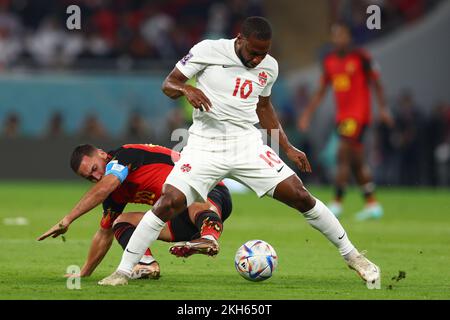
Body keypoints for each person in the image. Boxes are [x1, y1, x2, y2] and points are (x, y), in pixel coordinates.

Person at [99, 16, 381, 289]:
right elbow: (168, 84)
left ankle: (354, 256)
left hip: (247, 144)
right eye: (254, 52)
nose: (258, 59)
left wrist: (287, 146)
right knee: (168, 202)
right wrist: (186, 89)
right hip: (204, 145)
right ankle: (123, 271)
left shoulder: (269, 66)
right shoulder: (208, 50)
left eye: (264, 53)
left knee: (300, 195)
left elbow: (264, 108)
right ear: (241, 39)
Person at [37, 143, 232, 279]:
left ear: (102, 153)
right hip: (179, 220)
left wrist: (67, 220)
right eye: (90, 177)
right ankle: (146, 265)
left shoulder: (124, 156)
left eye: (95, 168)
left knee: (189, 191)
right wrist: (84, 272)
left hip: (211, 190)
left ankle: (209, 238)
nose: (96, 176)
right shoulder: (114, 195)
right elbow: (104, 235)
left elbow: (104, 186)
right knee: (119, 222)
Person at [298, 22, 394, 220]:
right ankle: (372, 204)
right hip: (343, 117)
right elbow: (321, 90)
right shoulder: (330, 62)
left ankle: (337, 203)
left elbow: (377, 83)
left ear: (349, 37)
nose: (338, 39)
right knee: (356, 161)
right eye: (334, 35)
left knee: (342, 154)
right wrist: (307, 114)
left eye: (342, 35)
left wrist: (383, 109)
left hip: (358, 116)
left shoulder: (361, 57)